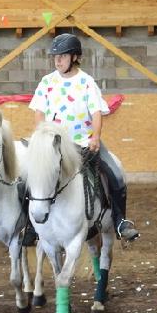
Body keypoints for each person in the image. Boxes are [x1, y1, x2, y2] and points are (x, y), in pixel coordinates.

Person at [29, 33, 140, 241]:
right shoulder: (47, 82)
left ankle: (120, 222)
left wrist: (95, 137)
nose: (57, 60)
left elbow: (97, 113)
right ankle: (28, 227)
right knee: (27, 177)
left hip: (83, 143)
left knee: (115, 176)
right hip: (54, 147)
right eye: (55, 56)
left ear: (74, 57)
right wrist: (41, 139)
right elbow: (39, 113)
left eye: (62, 56)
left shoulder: (87, 82)